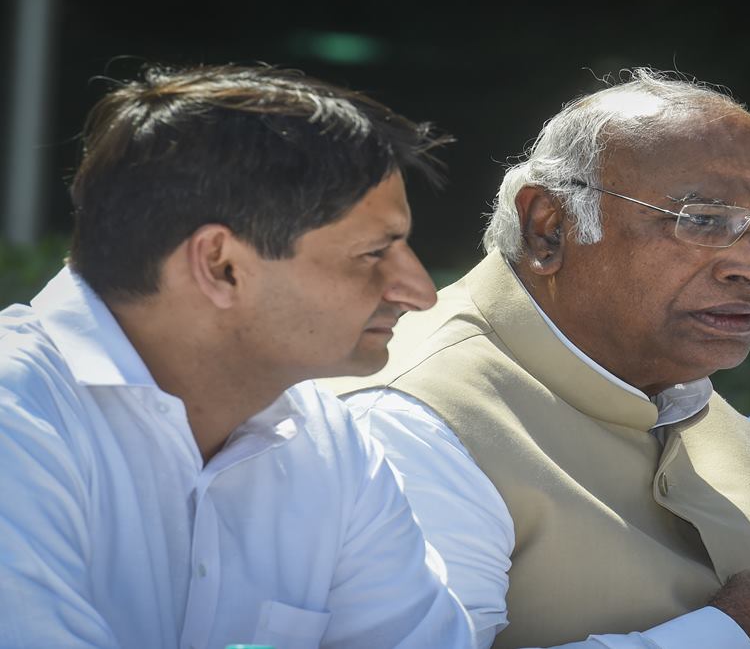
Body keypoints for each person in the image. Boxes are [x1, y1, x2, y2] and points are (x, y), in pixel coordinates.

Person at [322, 70, 750, 649]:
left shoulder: (716, 423)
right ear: (548, 228)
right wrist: (736, 637)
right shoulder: (413, 418)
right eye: (703, 221)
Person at [0, 65, 473, 648]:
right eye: (374, 253)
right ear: (220, 265)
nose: (419, 291)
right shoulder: (15, 420)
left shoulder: (329, 440)